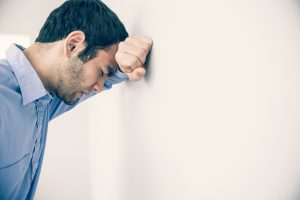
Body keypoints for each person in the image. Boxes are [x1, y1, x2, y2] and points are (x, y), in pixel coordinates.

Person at [0, 0, 153, 199]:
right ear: (73, 45)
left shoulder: (44, 96)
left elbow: (108, 79)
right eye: (102, 72)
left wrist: (123, 64)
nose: (99, 88)